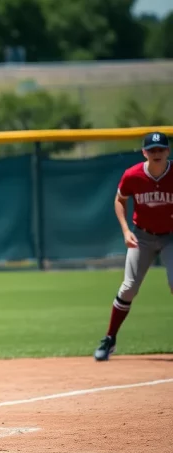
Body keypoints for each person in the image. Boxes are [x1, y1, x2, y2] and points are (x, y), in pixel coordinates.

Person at [94, 131, 173, 361]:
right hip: (143, 236)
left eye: (161, 149)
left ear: (168, 151)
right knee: (128, 287)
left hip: (171, 236)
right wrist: (126, 230)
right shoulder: (133, 175)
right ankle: (110, 339)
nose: (156, 153)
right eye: (152, 150)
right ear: (144, 153)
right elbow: (120, 199)